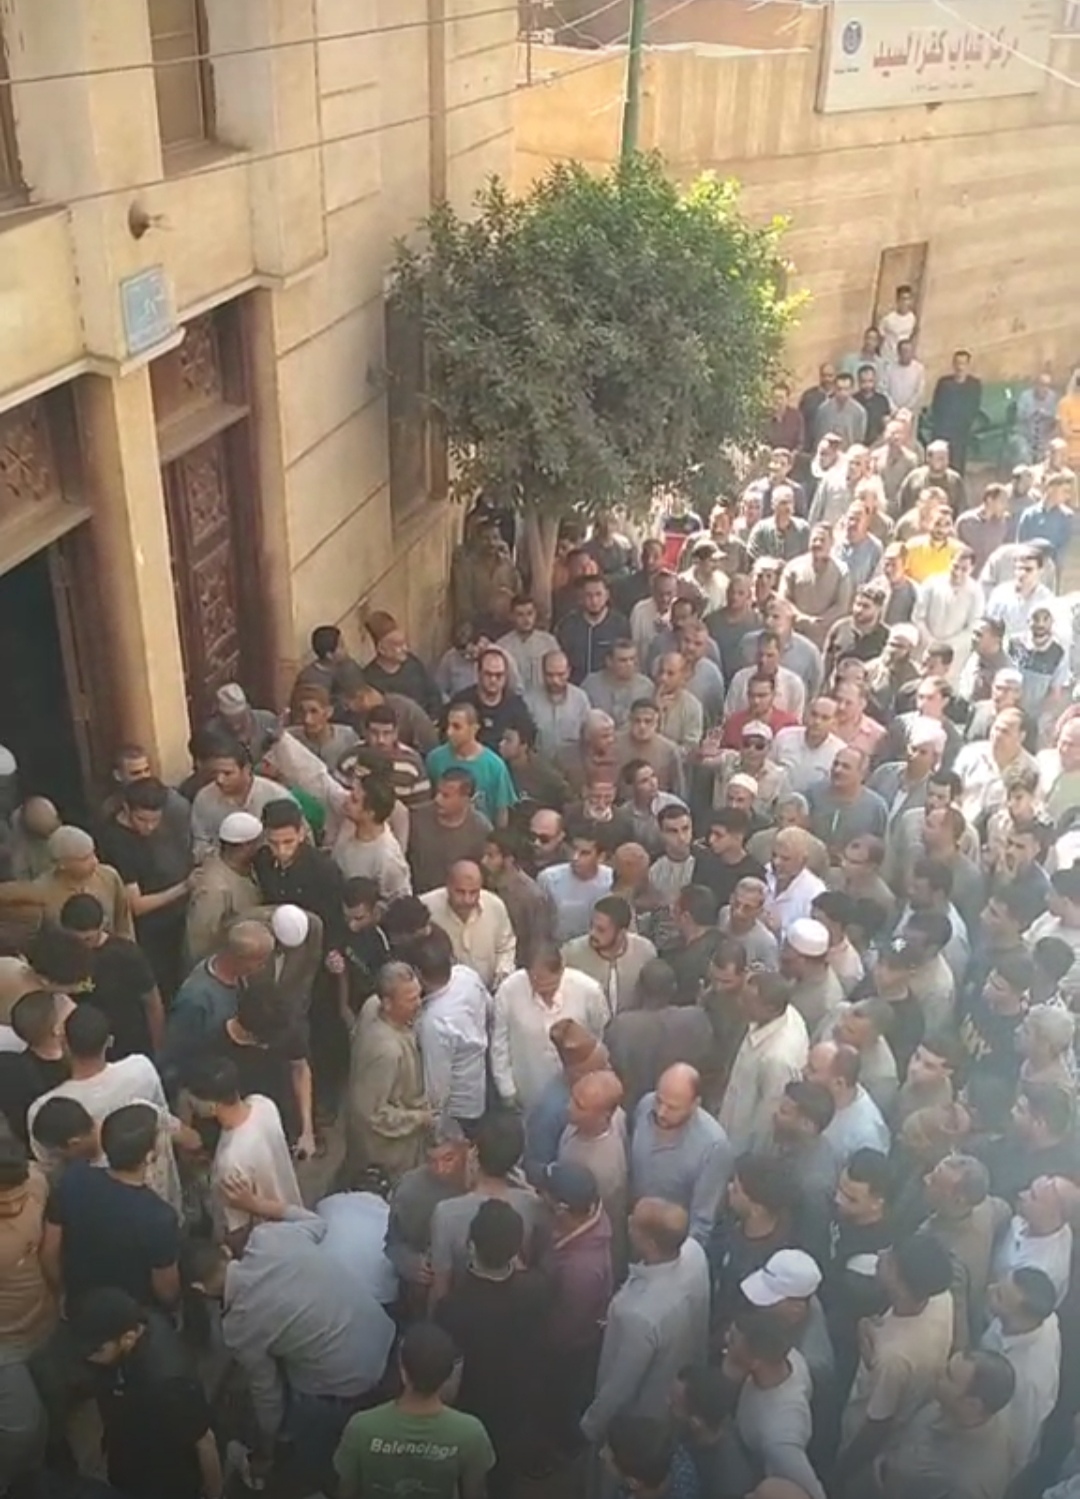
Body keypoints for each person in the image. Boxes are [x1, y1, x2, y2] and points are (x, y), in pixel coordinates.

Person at [185, 1205, 396, 1486]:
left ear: (199, 1289)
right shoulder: (268, 1238)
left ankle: (308, 1472)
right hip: (384, 1334)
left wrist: (268, 1445)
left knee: (304, 1431)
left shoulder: (240, 1327)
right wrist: (258, 1202)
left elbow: (267, 1393)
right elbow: (318, 1224)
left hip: (349, 1383)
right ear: (225, 1251)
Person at [434, 1199, 549, 1499]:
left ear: (471, 1245)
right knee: (503, 1476)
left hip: (473, 1406)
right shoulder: (536, 1289)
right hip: (518, 1405)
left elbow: (449, 1374)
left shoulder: (452, 1308)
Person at [69, 1288, 220, 1499]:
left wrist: (214, 1493)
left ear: (128, 1338)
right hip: (129, 1454)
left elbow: (204, 1441)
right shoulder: (131, 1327)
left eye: (97, 1350)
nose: (89, 1358)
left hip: (166, 1476)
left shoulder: (169, 1383)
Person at [581, 1198, 710, 1443]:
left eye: (635, 1223)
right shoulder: (694, 1252)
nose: (628, 1222)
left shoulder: (640, 1315)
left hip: (636, 1419)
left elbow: (620, 1386)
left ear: (650, 1243)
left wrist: (591, 1425)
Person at [30, 1003, 183, 1208]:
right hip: (156, 1186)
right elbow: (163, 1116)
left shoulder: (44, 1110)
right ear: (109, 1041)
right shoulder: (141, 1068)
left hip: (94, 1201)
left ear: (64, 1044)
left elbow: (51, 1169)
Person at [835, 1235, 955, 1489]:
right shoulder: (940, 1299)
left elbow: (876, 1425)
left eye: (889, 1259)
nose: (881, 1254)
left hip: (866, 1434)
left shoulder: (894, 1358)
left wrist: (841, 1472)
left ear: (901, 1284)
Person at [42, 1103, 181, 1312]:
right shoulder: (158, 1217)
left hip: (81, 1302)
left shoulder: (73, 1177)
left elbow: (49, 1251)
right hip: (132, 1312)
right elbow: (167, 1290)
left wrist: (62, 1291)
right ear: (149, 1156)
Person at [334, 1321, 495, 1499]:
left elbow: (345, 1491)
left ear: (403, 1371)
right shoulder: (470, 1433)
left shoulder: (361, 1427)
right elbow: (475, 1493)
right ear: (449, 1375)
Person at [428, 1111, 547, 1301]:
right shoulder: (532, 1205)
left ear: (475, 1152)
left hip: (465, 1304)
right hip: (515, 1301)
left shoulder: (446, 1213)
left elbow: (441, 1285)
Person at [184, 1055, 302, 1240]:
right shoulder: (263, 1104)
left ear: (212, 1106)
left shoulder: (230, 1160)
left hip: (268, 1239)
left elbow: (238, 1230)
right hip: (294, 1214)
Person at [491, 944, 608, 1110]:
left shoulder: (589, 991)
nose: (544, 992)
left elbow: (600, 1037)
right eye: (537, 984)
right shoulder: (508, 991)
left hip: (581, 1094)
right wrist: (506, 1089)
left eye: (550, 986)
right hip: (530, 1091)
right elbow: (500, 1044)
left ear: (561, 970)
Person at [725, 1309, 825, 1499]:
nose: (726, 1340)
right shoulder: (788, 1357)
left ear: (755, 1362)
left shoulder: (780, 1439)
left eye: (733, 1341)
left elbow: (813, 1492)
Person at [629, 1065, 734, 1245]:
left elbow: (701, 1222)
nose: (661, 1112)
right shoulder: (645, 1105)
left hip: (669, 1247)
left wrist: (675, 1257)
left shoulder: (714, 1147)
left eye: (673, 1108)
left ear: (695, 1104)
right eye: (659, 1100)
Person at [345, 961, 430, 1181]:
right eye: (410, 1000)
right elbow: (372, 1113)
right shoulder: (387, 1051)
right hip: (389, 1153)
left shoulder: (372, 1004)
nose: (419, 1004)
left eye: (419, 995)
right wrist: (420, 1118)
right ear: (387, 1003)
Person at [981, 1266, 1061, 1475]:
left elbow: (1020, 1441)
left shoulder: (1028, 1380)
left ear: (1020, 1316)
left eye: (999, 1295)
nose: (990, 1288)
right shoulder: (1043, 1319)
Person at [720, 972, 809, 1153]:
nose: (739, 1003)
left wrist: (750, 1157)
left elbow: (767, 1121)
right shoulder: (780, 1013)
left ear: (771, 1008)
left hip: (740, 1142)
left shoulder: (778, 1059)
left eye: (747, 1002)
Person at [189, 741, 295, 863]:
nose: (220, 780)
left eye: (227, 773)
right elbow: (200, 843)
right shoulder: (204, 799)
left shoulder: (276, 796)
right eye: (215, 773)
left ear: (246, 769)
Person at [562, 894, 657, 1015]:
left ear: (621, 932)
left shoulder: (645, 951)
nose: (592, 933)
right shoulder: (572, 953)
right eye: (592, 926)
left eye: (601, 930)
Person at [427, 703, 518, 827]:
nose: (449, 732)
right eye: (448, 726)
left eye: (457, 727)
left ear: (474, 729)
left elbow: (501, 813)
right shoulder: (435, 759)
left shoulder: (495, 766)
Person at [931, 351, 983, 473]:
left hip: (962, 429)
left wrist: (967, 424)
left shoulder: (974, 385)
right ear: (953, 365)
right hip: (943, 428)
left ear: (968, 365)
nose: (960, 367)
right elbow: (936, 405)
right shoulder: (944, 383)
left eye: (963, 364)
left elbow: (974, 406)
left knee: (958, 461)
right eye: (958, 363)